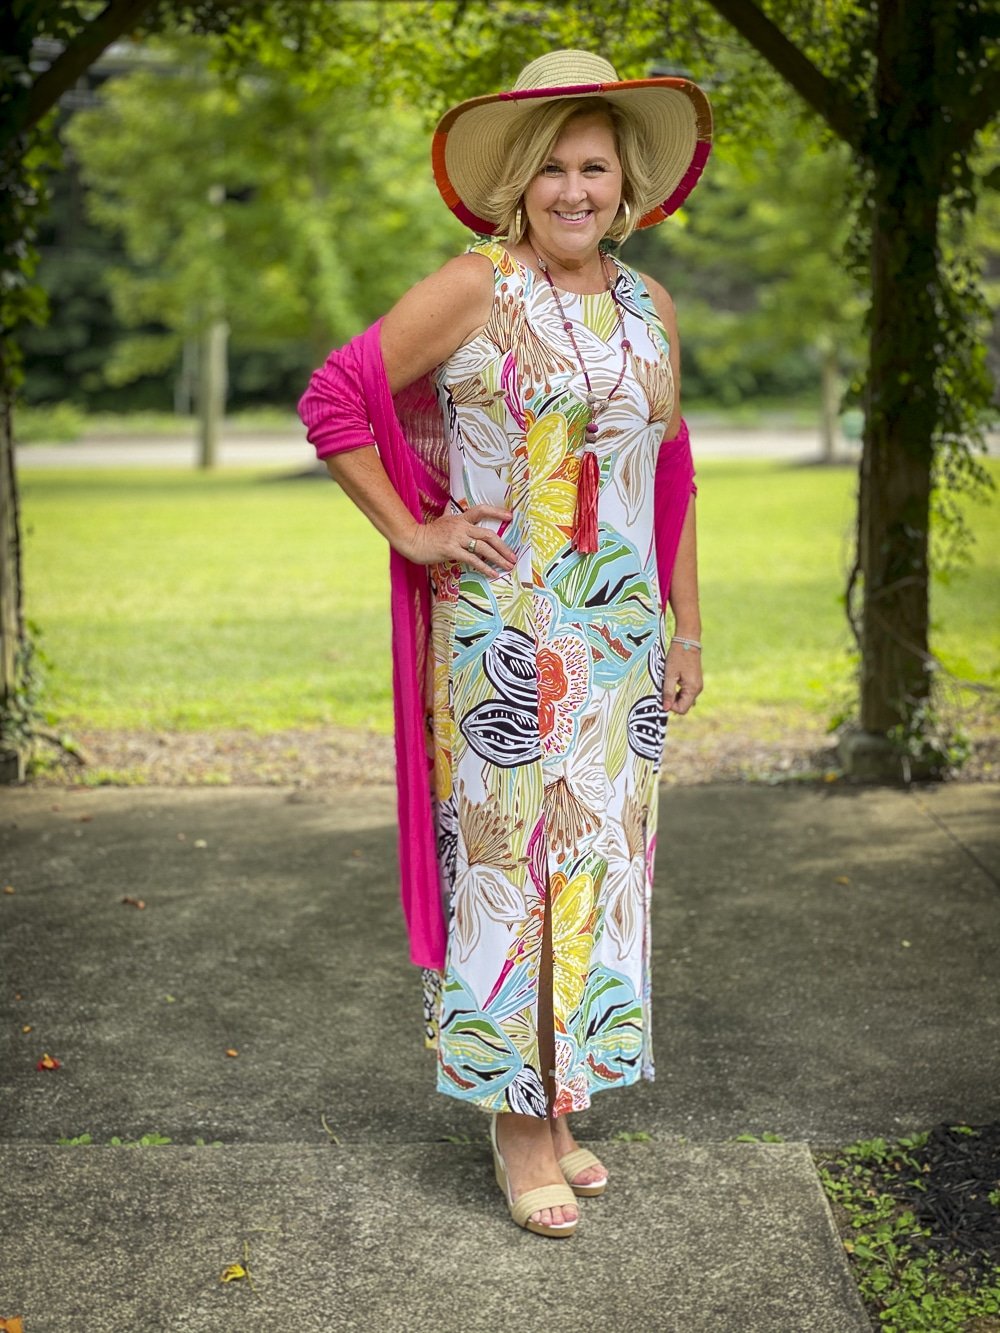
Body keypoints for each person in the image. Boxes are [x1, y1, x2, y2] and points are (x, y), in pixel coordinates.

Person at [298, 49, 711, 1238]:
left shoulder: (648, 306)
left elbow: (667, 463)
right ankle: (514, 1126)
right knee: (512, 878)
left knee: (596, 874)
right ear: (519, 186)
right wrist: (417, 532)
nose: (574, 191)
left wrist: (688, 626)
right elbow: (336, 397)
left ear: (625, 184)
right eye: (552, 170)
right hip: (509, 640)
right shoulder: (478, 286)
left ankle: (562, 1097)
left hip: (622, 645)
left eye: (595, 167)